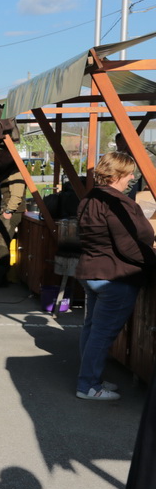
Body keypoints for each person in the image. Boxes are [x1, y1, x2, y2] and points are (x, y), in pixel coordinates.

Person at [74, 152, 156, 401]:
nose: (133, 177)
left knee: (92, 329)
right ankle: (88, 384)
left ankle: (90, 378)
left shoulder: (88, 199)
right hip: (115, 276)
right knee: (101, 333)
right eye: (130, 172)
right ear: (118, 174)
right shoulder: (118, 203)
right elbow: (129, 246)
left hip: (92, 272)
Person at [0, 146, 27, 287]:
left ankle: (0, 277)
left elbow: (16, 194)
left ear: (10, 157)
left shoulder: (15, 171)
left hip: (10, 213)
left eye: (1, 156)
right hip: (2, 212)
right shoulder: (6, 170)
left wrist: (9, 211)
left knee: (2, 243)